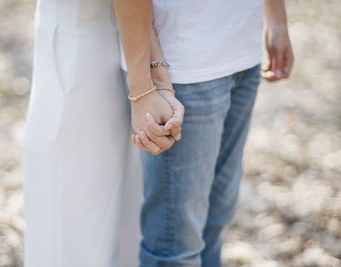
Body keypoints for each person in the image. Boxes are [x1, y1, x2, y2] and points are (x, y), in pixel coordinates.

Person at [114, 0, 294, 266]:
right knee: (175, 248)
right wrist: (143, 88)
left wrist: (276, 15)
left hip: (244, 51)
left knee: (215, 219)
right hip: (181, 66)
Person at [20, 0, 182, 266]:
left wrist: (146, 83)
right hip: (82, 50)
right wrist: (149, 81)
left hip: (101, 53)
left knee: (95, 215)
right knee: (77, 216)